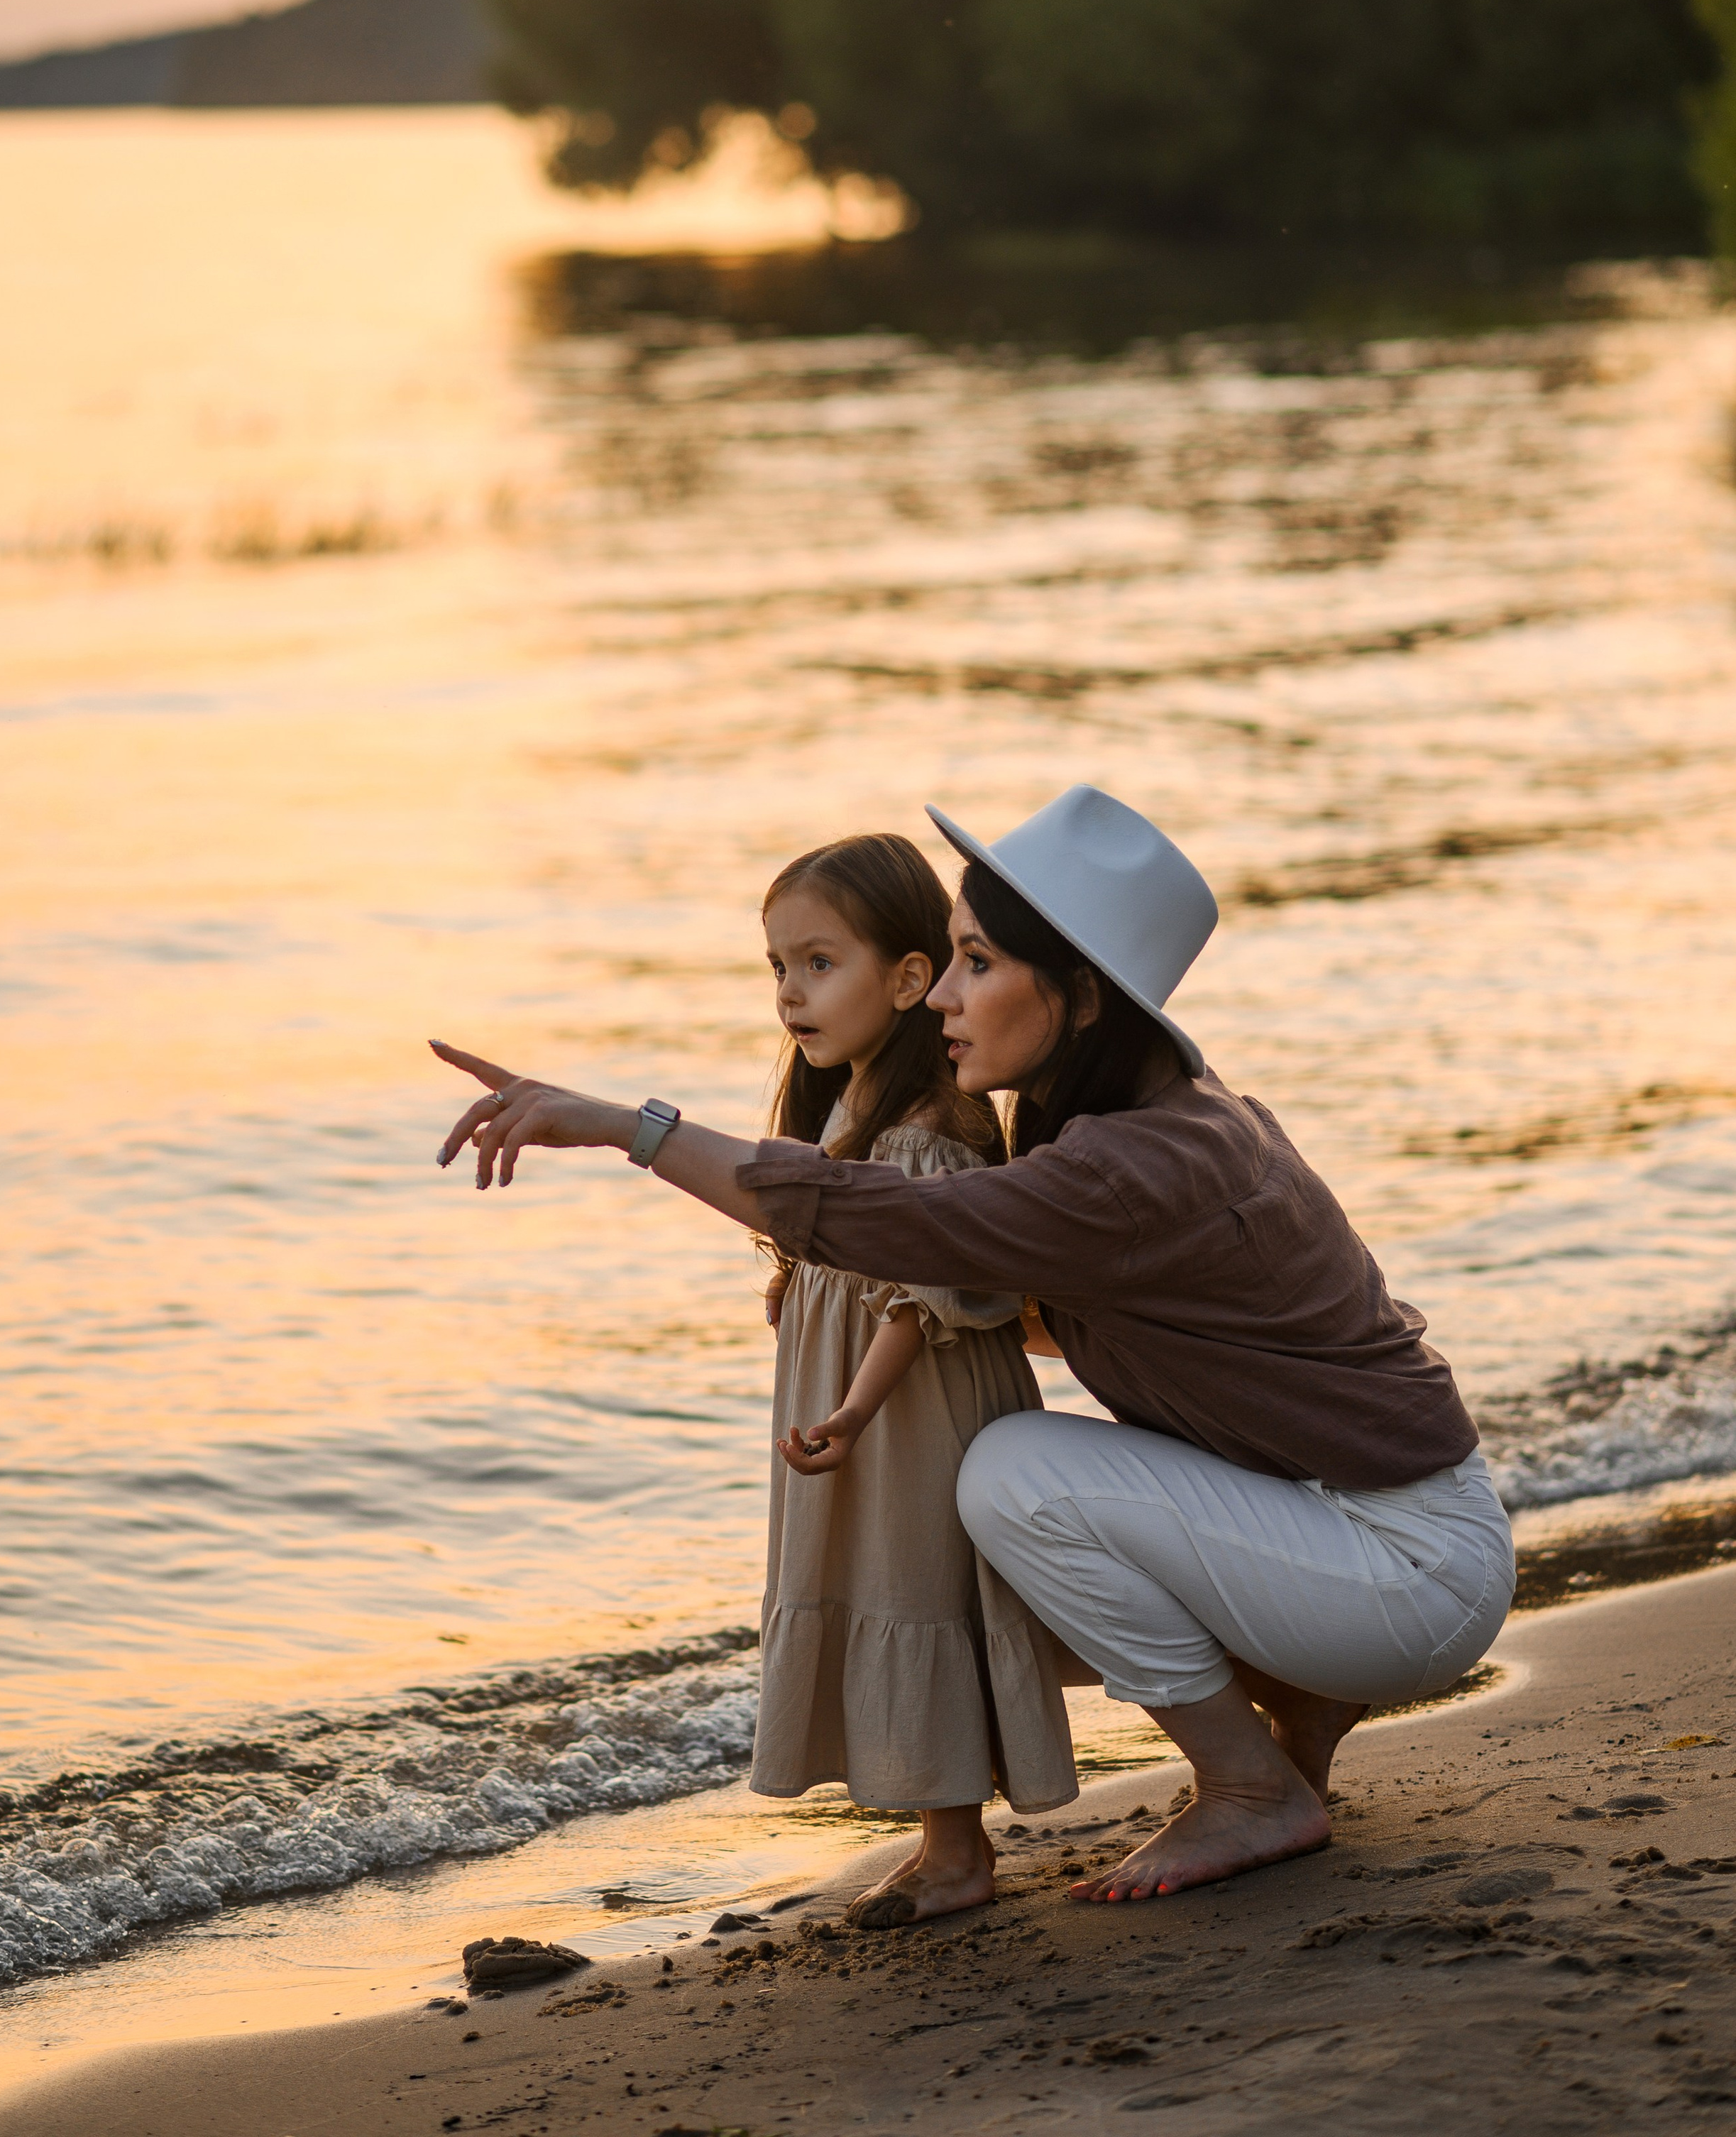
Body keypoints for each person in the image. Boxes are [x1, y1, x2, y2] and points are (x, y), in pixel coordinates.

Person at [433, 783, 1515, 1918]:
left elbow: (890, 1222)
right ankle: (1300, 1702)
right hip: (1367, 1539)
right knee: (957, 1551)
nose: (943, 995)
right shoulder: (1134, 1128)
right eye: (949, 959)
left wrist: (628, 1128)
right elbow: (1051, 1306)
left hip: (1402, 1571)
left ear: (1085, 996)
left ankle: (1253, 1789)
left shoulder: (1130, 1165)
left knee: (1009, 1477)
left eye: (979, 964)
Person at [747, 832, 1082, 1923]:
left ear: (905, 978)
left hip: (913, 1407)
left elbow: (918, 1298)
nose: (793, 993)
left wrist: (847, 1407)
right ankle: (948, 1841)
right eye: (779, 968)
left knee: (921, 1588)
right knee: (889, 1581)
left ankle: (956, 1851)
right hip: (866, 1402)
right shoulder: (843, 1107)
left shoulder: (930, 1130)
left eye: (819, 963)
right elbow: (854, 1266)